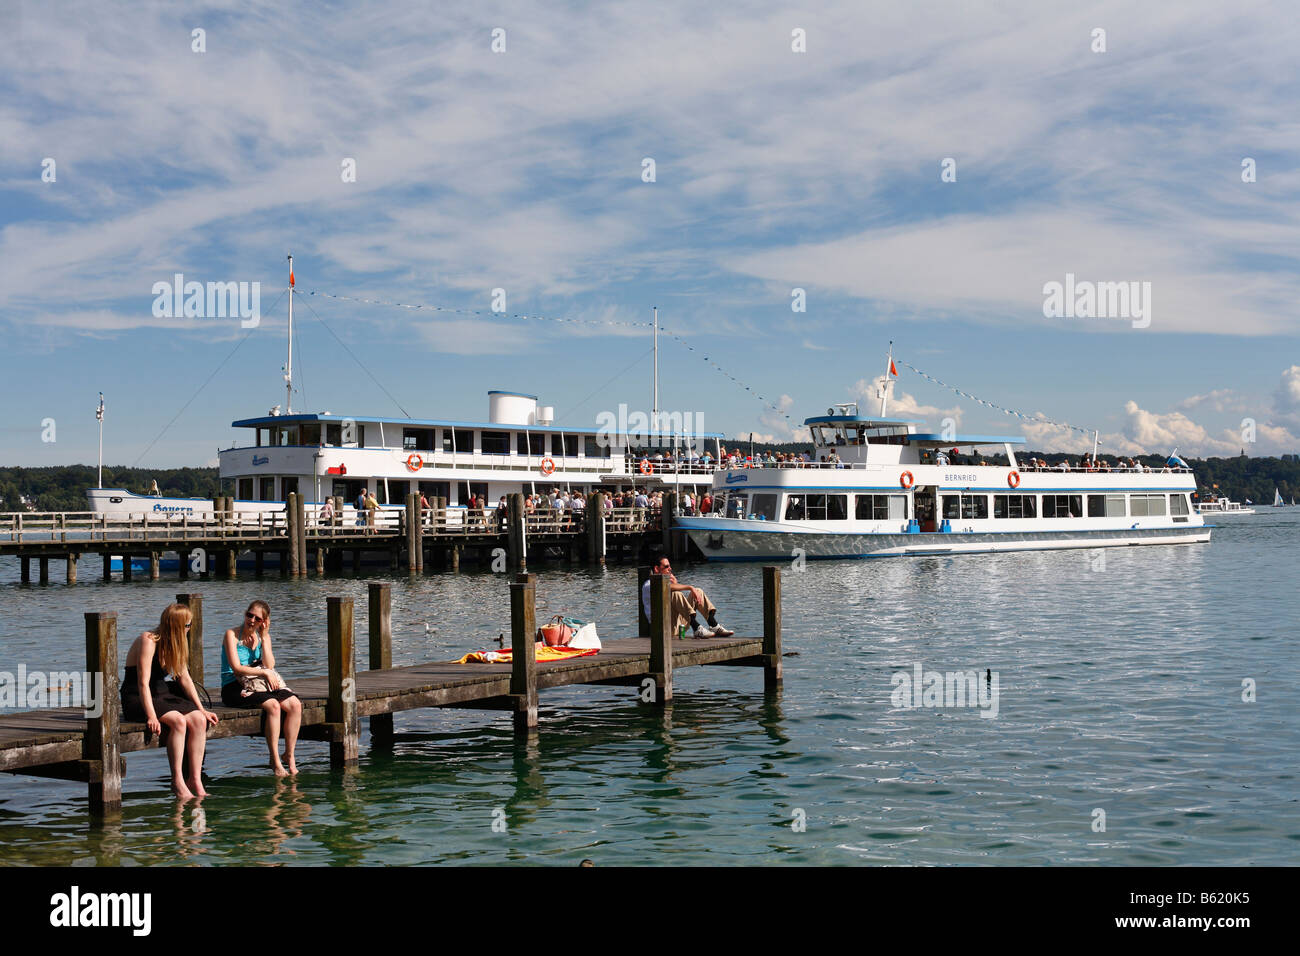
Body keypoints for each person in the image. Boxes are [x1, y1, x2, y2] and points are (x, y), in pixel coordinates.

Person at [122, 603, 219, 799]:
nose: (190, 628)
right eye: (187, 625)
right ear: (176, 625)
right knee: (178, 721)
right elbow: (142, 683)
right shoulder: (149, 641)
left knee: (199, 720)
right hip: (137, 696)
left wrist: (202, 709)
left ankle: (195, 779)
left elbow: (185, 679)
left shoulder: (178, 642)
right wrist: (151, 716)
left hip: (162, 693)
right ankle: (177, 781)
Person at [222, 600, 302, 776]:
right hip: (234, 686)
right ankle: (274, 760)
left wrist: (264, 637)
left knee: (295, 705)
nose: (251, 620)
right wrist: (265, 674)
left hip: (258, 684)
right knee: (273, 705)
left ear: (263, 622)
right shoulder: (232, 635)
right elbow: (236, 668)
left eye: (257, 618)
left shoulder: (262, 636)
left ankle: (289, 754)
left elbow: (269, 664)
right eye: (249, 615)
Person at [642, 554, 735, 638]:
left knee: (698, 591)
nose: (670, 569)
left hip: (677, 625)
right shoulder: (649, 585)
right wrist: (690, 587)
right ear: (657, 569)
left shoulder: (666, 583)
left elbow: (669, 590)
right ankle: (696, 627)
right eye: (666, 567)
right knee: (676, 593)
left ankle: (713, 625)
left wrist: (677, 584)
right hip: (663, 628)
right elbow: (667, 588)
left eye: (670, 566)